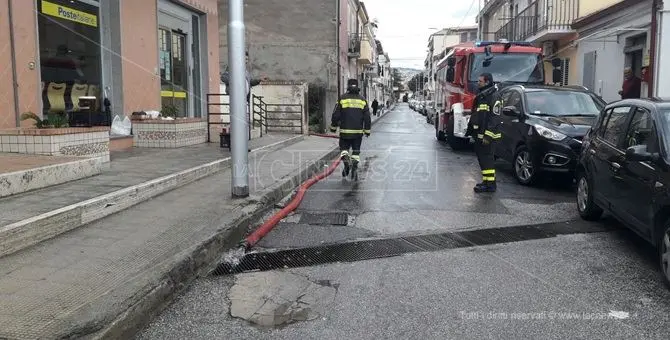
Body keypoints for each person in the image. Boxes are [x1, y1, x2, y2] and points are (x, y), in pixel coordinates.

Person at [329, 79, 372, 179]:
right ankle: (355, 166)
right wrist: (367, 130)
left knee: (344, 150)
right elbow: (367, 117)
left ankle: (346, 164)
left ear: (348, 86)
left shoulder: (342, 98)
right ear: (357, 87)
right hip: (358, 133)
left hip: (344, 132)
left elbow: (335, 114)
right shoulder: (362, 100)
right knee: (356, 151)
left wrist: (333, 127)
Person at [470, 73, 503, 193]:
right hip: (480, 134)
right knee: (482, 159)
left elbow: (494, 118)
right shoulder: (483, 95)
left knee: (487, 160)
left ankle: (490, 185)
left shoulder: (494, 96)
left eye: (480, 81)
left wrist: (488, 135)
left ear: (487, 82)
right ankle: (486, 181)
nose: (478, 83)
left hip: (488, 136)